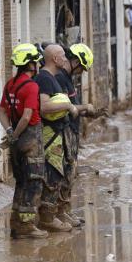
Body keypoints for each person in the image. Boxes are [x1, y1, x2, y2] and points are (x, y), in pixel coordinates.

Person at [0, 43, 48, 239]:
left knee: (20, 182)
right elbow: (27, 116)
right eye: (35, 61)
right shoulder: (32, 86)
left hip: (16, 143)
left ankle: (16, 223)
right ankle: (26, 225)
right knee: (34, 182)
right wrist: (17, 133)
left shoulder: (10, 84)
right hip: (30, 140)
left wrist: (10, 132)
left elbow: (2, 112)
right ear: (30, 64)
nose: (37, 65)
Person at [34, 44, 79, 232]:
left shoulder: (50, 78)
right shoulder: (44, 79)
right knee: (52, 175)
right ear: (54, 59)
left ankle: (54, 214)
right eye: (62, 56)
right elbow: (44, 107)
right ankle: (47, 218)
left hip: (56, 133)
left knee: (58, 174)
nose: (65, 59)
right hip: (49, 135)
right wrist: (68, 106)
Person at [55, 43, 97, 227]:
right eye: (81, 67)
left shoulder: (68, 78)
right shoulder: (60, 79)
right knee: (65, 173)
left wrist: (87, 113)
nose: (81, 72)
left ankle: (65, 211)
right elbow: (65, 108)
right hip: (64, 131)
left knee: (71, 173)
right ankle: (60, 213)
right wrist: (85, 108)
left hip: (72, 130)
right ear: (75, 61)